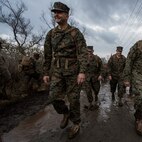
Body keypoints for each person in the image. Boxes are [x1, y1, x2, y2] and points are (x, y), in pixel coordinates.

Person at [42, 2, 87, 139]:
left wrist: (82, 71)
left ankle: (76, 122)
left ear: (67, 15)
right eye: (55, 12)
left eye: (59, 12)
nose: (56, 14)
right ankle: (65, 113)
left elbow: (82, 53)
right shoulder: (51, 34)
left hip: (73, 71)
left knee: (73, 99)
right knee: (54, 97)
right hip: (57, 71)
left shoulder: (75, 33)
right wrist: (45, 72)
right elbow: (48, 54)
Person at [83, 46, 103, 110]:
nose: (89, 53)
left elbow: (101, 68)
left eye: (90, 51)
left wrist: (101, 75)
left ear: (93, 51)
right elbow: (80, 67)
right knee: (88, 91)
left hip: (95, 77)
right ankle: (90, 103)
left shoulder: (97, 58)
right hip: (87, 78)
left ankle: (96, 97)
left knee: (96, 90)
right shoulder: (83, 59)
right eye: (88, 51)